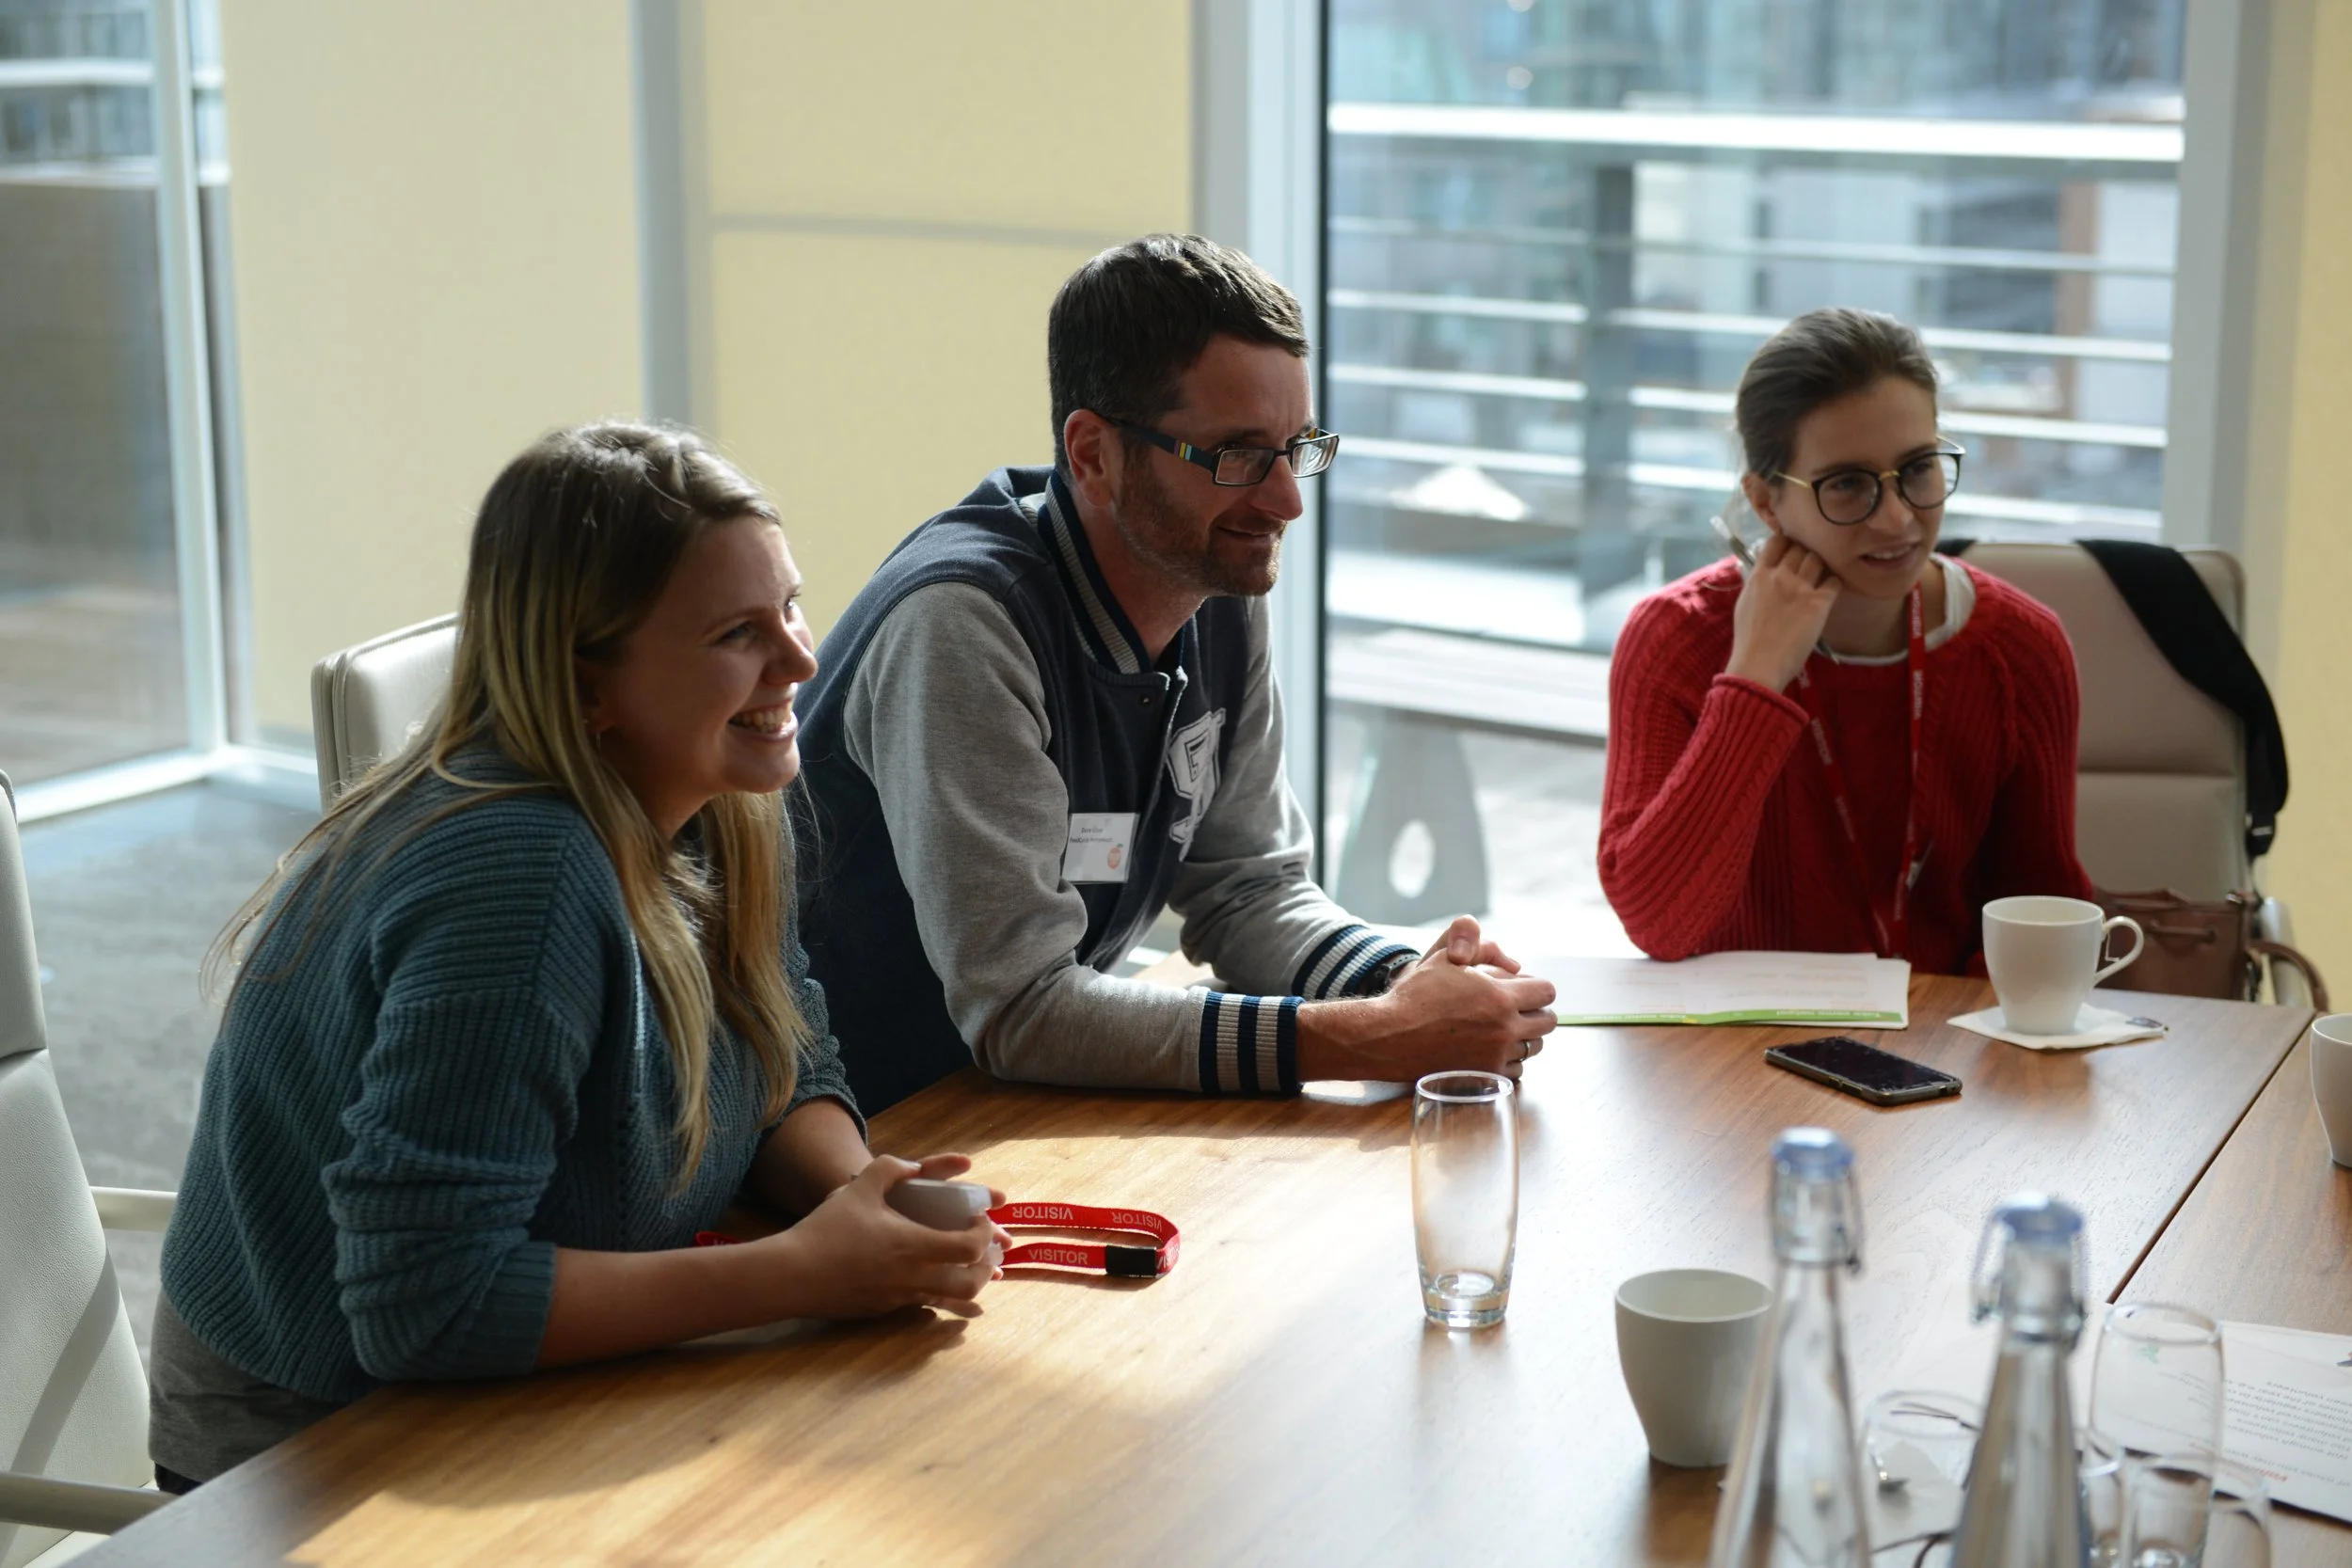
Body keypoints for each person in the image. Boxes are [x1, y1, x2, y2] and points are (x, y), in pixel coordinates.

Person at [149, 423, 1003, 1490]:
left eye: (789, 604)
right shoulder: (522, 876)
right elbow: (427, 1299)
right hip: (311, 1440)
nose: (800, 659)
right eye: (739, 632)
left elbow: (788, 1053)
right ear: (587, 686)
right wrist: (797, 1269)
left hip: (512, 1380)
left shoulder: (725, 795)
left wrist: (861, 1199)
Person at [795, 233, 1557, 1114]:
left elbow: (1246, 886)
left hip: (1013, 1106)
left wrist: (1410, 984)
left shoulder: (1216, 581)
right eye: (1237, 458)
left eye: (1298, 448)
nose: (1285, 501)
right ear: (1092, 454)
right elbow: (1022, 1007)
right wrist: (1377, 1034)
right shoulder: (962, 623)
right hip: (846, 1137)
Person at [1598, 307, 2095, 971]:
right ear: (1767, 502)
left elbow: (2043, 923)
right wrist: (1751, 681)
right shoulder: (1675, 639)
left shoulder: (2019, 649)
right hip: (1731, 1055)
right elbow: (1658, 924)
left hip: (1942, 1050)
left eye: (1918, 469)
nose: (1896, 519)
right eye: (1849, 484)